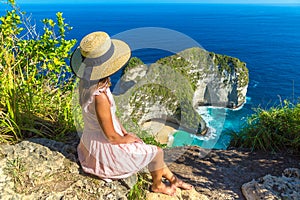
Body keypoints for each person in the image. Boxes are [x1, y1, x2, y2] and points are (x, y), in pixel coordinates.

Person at [70, 31, 193, 196]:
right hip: (104, 151)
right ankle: (157, 185)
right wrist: (125, 138)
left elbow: (107, 119)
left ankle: (172, 178)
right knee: (157, 152)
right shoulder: (100, 97)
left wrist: (124, 131)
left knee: (144, 147)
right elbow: (111, 137)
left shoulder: (86, 85)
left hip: (90, 142)